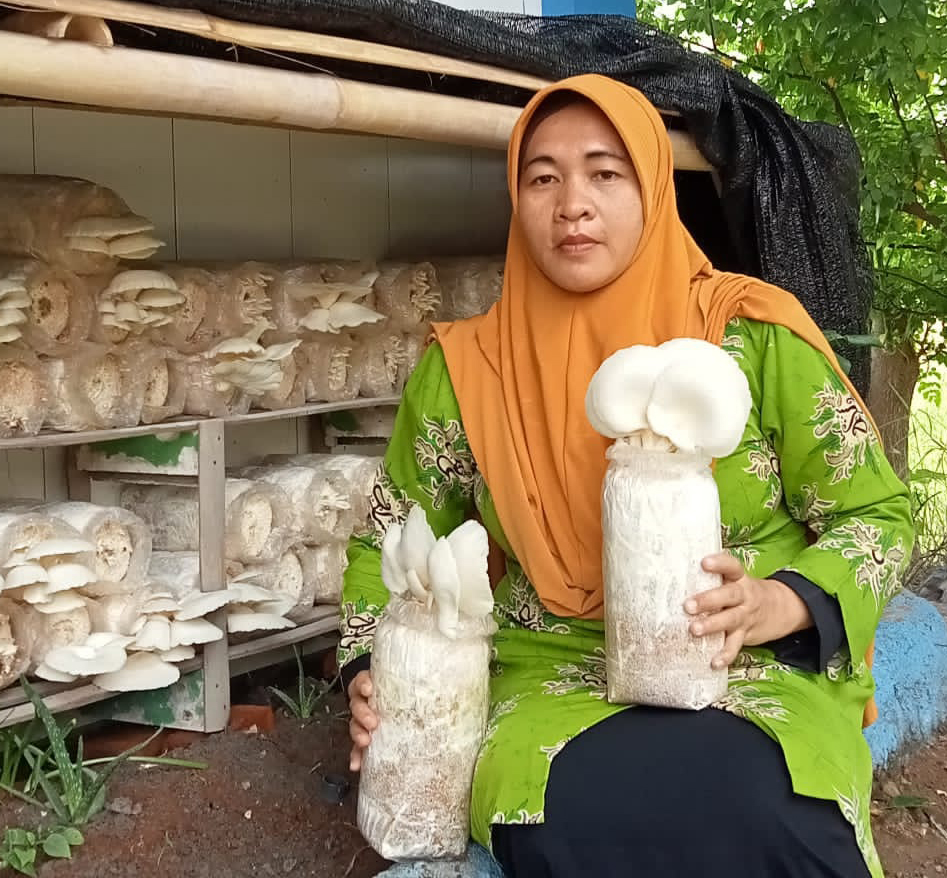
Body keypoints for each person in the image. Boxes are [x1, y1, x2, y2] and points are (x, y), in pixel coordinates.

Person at [338, 73, 914, 878]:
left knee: (766, 813)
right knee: (570, 814)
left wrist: (776, 602)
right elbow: (386, 542)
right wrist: (370, 674)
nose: (572, 202)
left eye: (605, 173)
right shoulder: (469, 372)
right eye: (542, 177)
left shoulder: (748, 337)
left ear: (651, 189)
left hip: (739, 664)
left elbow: (878, 516)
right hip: (548, 669)